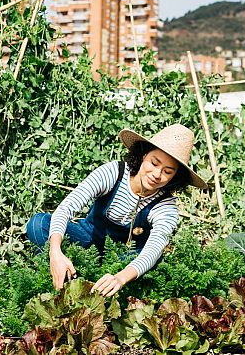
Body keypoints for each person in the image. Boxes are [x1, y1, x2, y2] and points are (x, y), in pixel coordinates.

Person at [27, 123, 207, 297]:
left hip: (124, 258)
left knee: (154, 261)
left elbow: (154, 248)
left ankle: (90, 285)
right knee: (38, 224)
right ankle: (60, 270)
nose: (157, 174)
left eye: (168, 172)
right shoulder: (115, 172)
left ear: (175, 177)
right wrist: (55, 251)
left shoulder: (165, 206)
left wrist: (120, 278)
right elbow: (67, 207)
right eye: (154, 163)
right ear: (144, 155)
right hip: (89, 237)